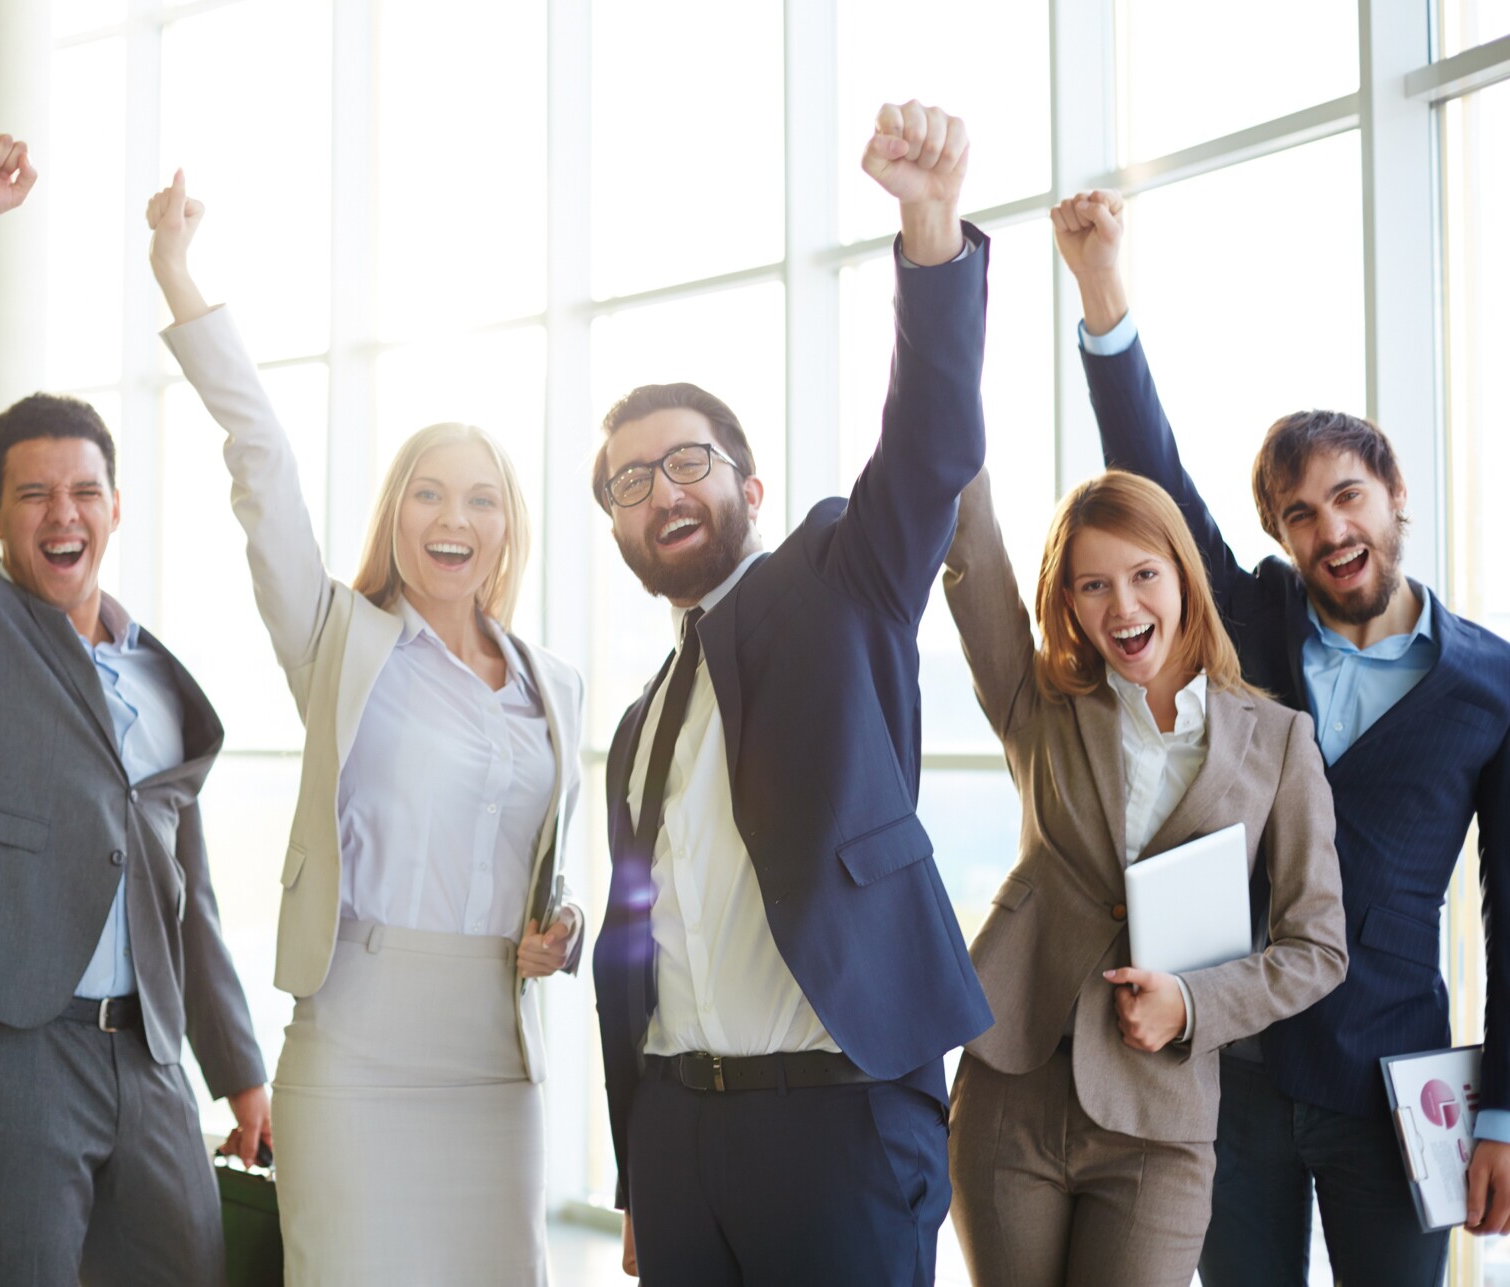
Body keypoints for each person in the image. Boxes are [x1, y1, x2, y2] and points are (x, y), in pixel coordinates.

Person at [1052, 187, 1510, 1285]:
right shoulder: (1251, 620)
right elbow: (1150, 476)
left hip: (1392, 1088)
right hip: (1233, 1068)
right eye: (1299, 515)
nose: (1330, 529)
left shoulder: (1491, 687)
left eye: (1347, 498)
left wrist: (1501, 1110)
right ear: (1279, 537)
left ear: (1394, 496)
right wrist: (1102, 290)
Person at [146, 171, 584, 1286]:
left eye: (480, 497)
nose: (454, 517)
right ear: (397, 514)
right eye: (427, 493)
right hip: (356, 1044)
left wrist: (558, 930)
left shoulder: (553, 688)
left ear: (507, 526)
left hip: (496, 1056)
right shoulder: (339, 643)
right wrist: (182, 278)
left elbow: (537, 874)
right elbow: (265, 468)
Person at [589, 100, 993, 1286]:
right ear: (615, 525)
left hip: (837, 1124)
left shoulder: (835, 579)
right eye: (626, 480)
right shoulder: (638, 725)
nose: (659, 487)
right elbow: (643, 940)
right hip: (677, 1133)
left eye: (687, 461)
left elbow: (928, 448)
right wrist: (640, 1172)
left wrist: (929, 228)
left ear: (750, 488)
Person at [0, 133, 268, 1286]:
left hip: (153, 1069)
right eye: (34, 496)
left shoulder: (158, 675)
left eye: (84, 492)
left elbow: (187, 893)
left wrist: (239, 1070)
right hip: (7, 1053)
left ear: (115, 508)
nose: (61, 515)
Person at [941, 465, 1347, 1287]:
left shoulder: (1277, 741)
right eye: (1093, 585)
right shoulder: (1041, 706)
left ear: (1183, 579)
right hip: (1010, 1088)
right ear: (1069, 603)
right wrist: (942, 372)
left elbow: (1318, 947)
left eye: (1143, 575)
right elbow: (972, 558)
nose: (1122, 606)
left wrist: (1194, 1004)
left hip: (1158, 1119)